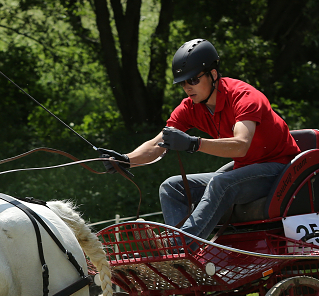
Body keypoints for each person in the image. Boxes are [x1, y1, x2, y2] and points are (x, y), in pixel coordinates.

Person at [98, 39, 300, 243]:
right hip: (246, 169)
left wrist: (194, 143)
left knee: (221, 183)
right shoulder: (191, 107)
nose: (187, 87)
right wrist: (126, 159)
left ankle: (179, 247)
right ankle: (183, 256)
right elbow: (157, 143)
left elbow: (240, 145)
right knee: (171, 187)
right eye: (183, 82)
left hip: (280, 171)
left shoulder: (244, 96)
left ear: (213, 74)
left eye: (193, 80)